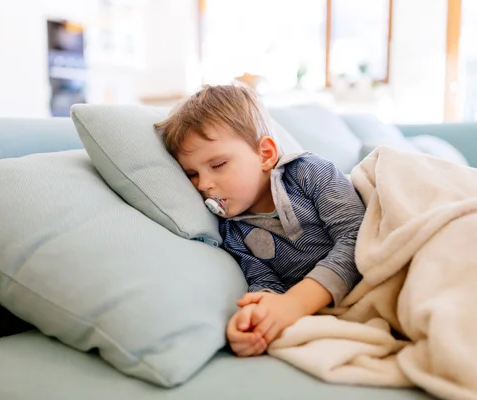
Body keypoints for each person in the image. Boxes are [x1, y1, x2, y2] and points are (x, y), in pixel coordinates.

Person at [154, 84, 365, 357]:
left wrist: (295, 303)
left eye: (218, 165)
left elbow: (358, 237)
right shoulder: (232, 231)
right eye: (192, 174)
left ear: (264, 154)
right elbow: (265, 282)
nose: (204, 184)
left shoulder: (309, 173)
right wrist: (255, 318)